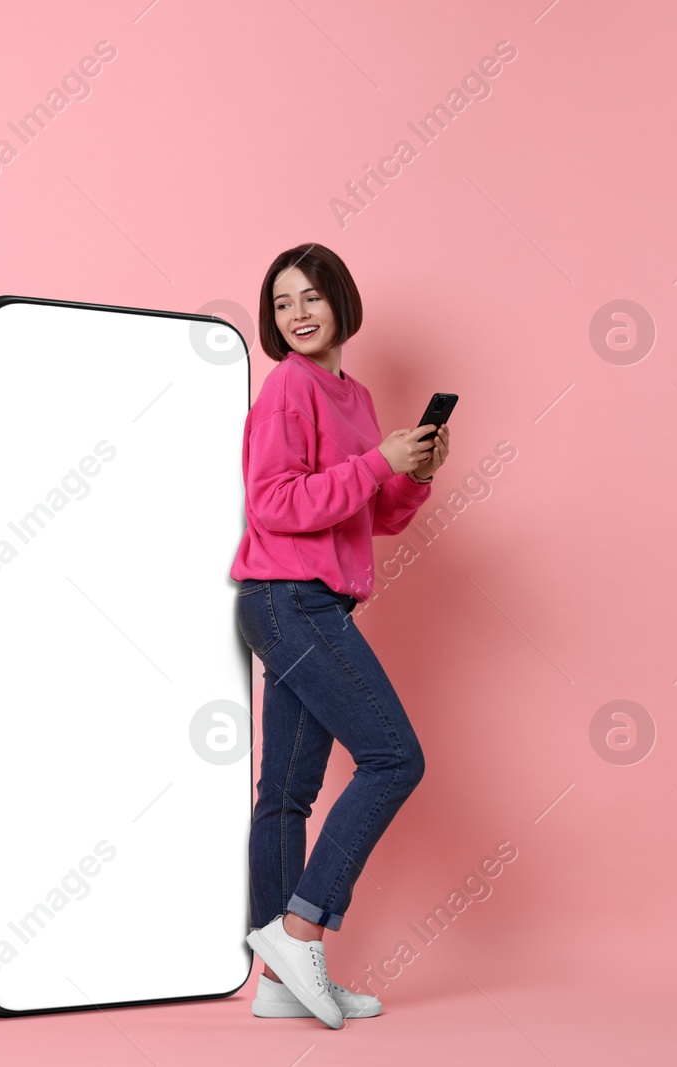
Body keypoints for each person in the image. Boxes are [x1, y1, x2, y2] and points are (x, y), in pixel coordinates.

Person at [231, 243, 448, 1028]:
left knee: (286, 795)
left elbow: (369, 514)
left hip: (314, 602)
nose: (298, 313)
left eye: (312, 297)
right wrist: (376, 463)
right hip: (288, 601)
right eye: (284, 301)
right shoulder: (288, 385)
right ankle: (299, 932)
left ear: (341, 303)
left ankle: (279, 983)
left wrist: (410, 474)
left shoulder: (351, 396)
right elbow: (276, 505)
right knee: (395, 758)